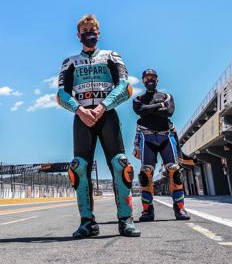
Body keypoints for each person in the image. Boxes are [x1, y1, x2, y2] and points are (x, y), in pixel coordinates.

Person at [57, 14, 140, 238]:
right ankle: (87, 222)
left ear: (99, 32)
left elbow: (124, 86)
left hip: (107, 115)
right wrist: (79, 110)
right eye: (85, 31)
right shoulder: (70, 62)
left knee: (121, 165)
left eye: (92, 30)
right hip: (82, 117)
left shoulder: (112, 56)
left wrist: (103, 106)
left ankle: (126, 219)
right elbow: (61, 93)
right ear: (78, 35)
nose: (89, 34)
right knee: (78, 167)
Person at [132, 69, 190, 221]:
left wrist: (149, 109)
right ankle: (147, 211)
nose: (150, 80)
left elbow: (169, 112)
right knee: (146, 173)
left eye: (153, 77)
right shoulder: (138, 99)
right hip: (147, 136)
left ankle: (180, 209)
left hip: (166, 136)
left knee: (174, 171)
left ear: (157, 80)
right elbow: (140, 111)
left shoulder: (167, 96)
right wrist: (159, 106)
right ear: (142, 81)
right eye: (147, 78)